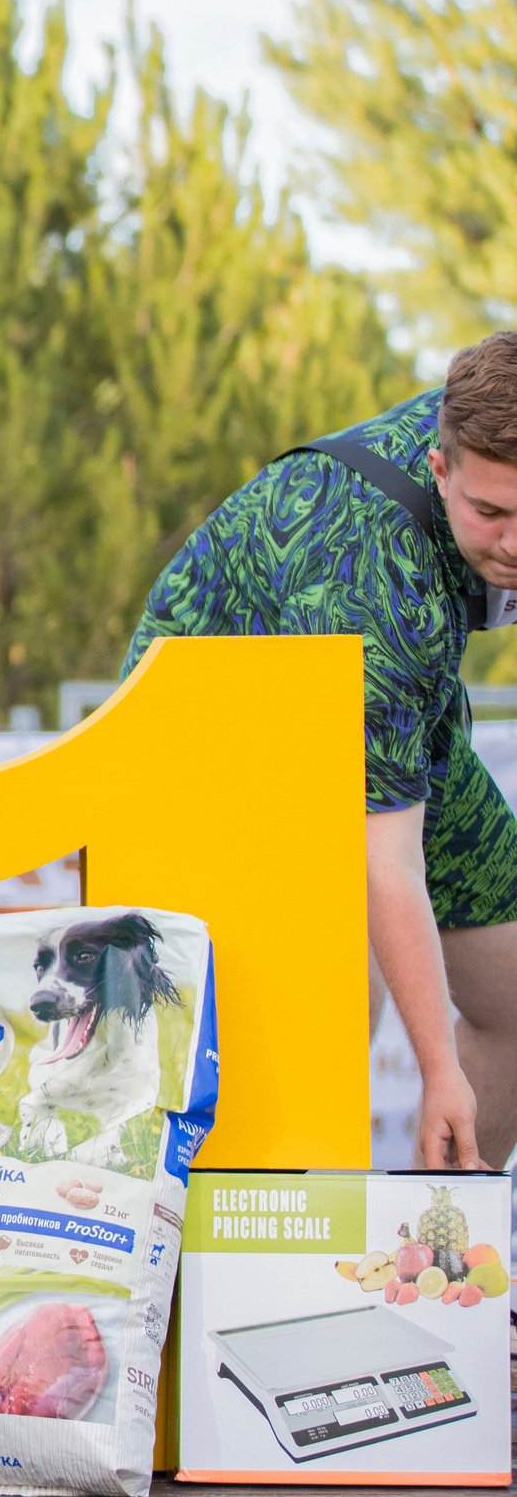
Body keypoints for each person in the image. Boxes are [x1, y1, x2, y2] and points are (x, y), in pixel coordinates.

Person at [126, 336, 517, 1172]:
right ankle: (303, 1274)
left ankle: (437, 1254)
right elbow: (387, 866)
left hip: (388, 712)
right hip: (214, 739)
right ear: (442, 470)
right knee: (336, 1010)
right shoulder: (384, 583)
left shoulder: (489, 430)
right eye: (492, 515)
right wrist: (440, 1073)